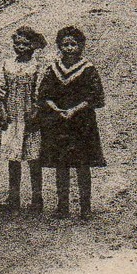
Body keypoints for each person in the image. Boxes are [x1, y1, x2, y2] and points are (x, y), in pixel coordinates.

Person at [37, 25, 106, 220]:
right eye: (65, 44)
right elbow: (44, 93)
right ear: (59, 46)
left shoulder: (88, 68)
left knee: (82, 165)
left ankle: (85, 208)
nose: (69, 48)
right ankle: (62, 206)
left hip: (82, 122)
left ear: (81, 46)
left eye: (73, 44)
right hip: (59, 122)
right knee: (62, 164)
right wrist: (55, 108)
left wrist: (74, 110)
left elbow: (95, 96)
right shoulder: (53, 68)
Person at [0, 26, 47, 213]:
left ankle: (37, 197)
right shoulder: (7, 64)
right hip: (12, 116)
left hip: (30, 116)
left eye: (25, 44)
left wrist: (36, 111)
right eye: (17, 43)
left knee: (33, 157)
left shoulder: (37, 66)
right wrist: (2, 110)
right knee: (13, 157)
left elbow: (40, 90)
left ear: (33, 45)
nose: (20, 47)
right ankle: (13, 195)